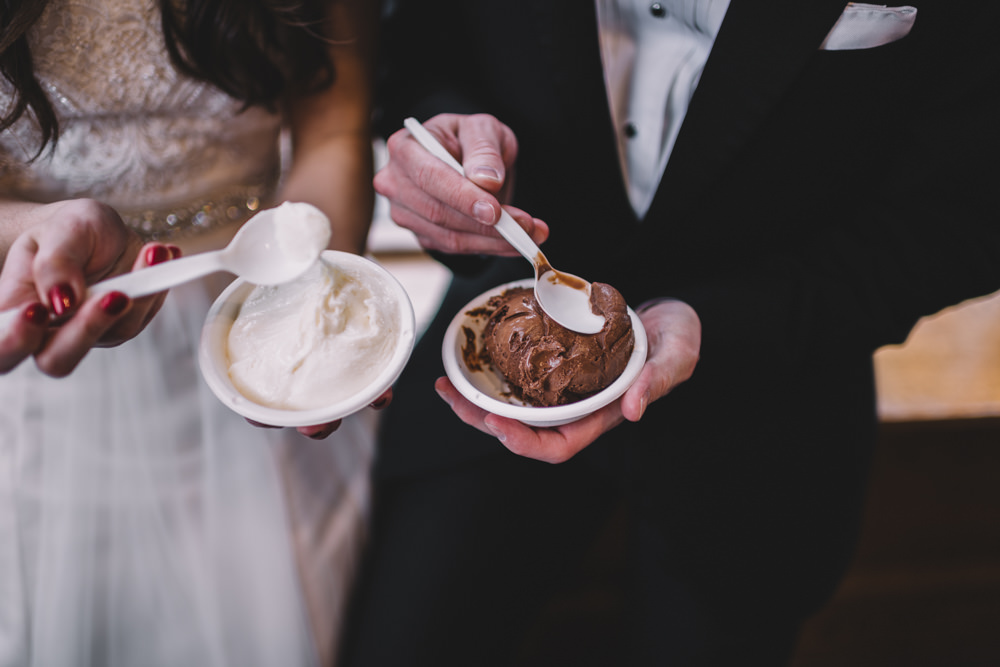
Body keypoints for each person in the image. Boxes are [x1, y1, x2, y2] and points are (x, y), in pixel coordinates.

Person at [339, 1, 1000, 665]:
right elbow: (420, 43)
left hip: (773, 389)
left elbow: (963, 216)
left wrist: (726, 321)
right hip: (500, 354)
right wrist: (452, 146)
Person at [0, 1, 380, 665]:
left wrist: (315, 309)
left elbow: (333, 124)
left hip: (258, 318)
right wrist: (28, 233)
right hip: (44, 313)